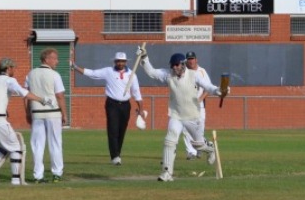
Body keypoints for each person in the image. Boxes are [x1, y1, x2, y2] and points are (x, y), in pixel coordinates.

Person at [138, 46, 229, 182]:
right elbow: (151, 72)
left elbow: (208, 87)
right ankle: (167, 173)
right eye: (172, 65)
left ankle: (210, 149)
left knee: (198, 144)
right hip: (176, 115)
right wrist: (144, 57)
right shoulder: (168, 75)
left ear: (183, 64)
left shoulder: (194, 75)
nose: (174, 68)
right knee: (170, 140)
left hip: (193, 116)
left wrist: (220, 90)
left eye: (177, 65)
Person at [0, 58, 51, 185]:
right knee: (16, 147)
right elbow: (23, 93)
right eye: (14, 68)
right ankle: (15, 180)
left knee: (6, 144)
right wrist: (42, 100)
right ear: (8, 68)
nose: (15, 70)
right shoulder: (9, 80)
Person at [71, 52, 145, 165]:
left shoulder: (132, 75)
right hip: (112, 104)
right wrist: (75, 67)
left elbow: (136, 93)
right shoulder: (108, 71)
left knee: (122, 131)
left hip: (126, 105)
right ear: (115, 61)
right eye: (118, 61)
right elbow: (92, 73)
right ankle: (114, 156)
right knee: (113, 130)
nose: (120, 63)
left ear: (126, 62)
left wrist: (141, 109)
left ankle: (118, 153)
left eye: (122, 61)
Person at [24, 48, 67, 183]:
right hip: (53, 113)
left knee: (37, 145)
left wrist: (27, 112)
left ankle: (38, 176)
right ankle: (57, 173)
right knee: (55, 143)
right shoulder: (55, 75)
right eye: (54, 58)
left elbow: (26, 95)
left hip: (36, 113)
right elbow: (60, 96)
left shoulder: (31, 74)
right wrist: (64, 113)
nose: (57, 61)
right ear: (46, 59)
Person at [183, 51, 213, 162]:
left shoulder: (202, 71)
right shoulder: (183, 71)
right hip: (186, 106)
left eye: (192, 59)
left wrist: (199, 99)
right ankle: (191, 152)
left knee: (198, 130)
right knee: (186, 129)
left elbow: (208, 88)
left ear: (196, 60)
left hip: (199, 106)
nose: (190, 61)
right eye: (188, 59)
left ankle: (204, 145)